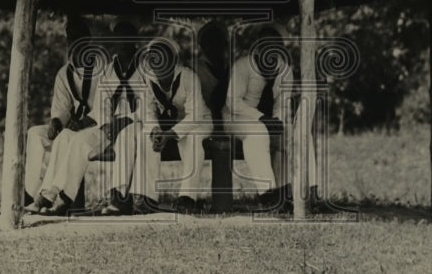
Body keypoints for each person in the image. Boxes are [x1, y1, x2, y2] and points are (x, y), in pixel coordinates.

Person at [24, 17, 101, 216]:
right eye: (71, 38)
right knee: (35, 133)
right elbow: (62, 107)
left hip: (96, 126)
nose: (75, 42)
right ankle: (30, 194)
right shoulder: (64, 73)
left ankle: (50, 196)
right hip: (72, 126)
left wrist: (83, 122)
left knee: (68, 137)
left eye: (80, 38)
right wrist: (56, 122)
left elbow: (107, 106)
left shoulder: (103, 69)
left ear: (89, 41)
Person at [223, 23, 304, 211]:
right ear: (258, 44)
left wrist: (278, 122)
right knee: (258, 131)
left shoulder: (285, 71)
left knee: (285, 137)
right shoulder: (243, 66)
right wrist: (261, 118)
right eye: (265, 43)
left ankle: (285, 194)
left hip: (267, 120)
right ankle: (267, 195)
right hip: (236, 118)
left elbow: (282, 103)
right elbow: (232, 101)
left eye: (275, 44)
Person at [129, 36, 213, 213]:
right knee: (144, 137)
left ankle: (187, 198)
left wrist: (169, 134)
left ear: (173, 59)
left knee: (193, 139)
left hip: (199, 121)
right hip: (168, 124)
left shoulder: (188, 77)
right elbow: (147, 110)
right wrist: (155, 130)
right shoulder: (146, 79)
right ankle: (145, 197)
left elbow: (195, 115)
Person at [89, 19, 148, 216]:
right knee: (80, 142)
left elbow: (150, 103)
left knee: (125, 137)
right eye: (120, 37)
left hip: (139, 122)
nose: (124, 42)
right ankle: (64, 196)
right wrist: (107, 124)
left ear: (135, 40)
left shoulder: (145, 67)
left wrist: (128, 119)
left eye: (128, 37)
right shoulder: (108, 69)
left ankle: (120, 198)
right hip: (112, 123)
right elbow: (102, 101)